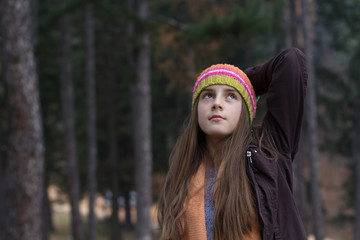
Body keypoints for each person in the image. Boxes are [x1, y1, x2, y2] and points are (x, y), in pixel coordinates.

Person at [157, 48, 308, 240]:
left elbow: (291, 62)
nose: (217, 103)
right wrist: (233, 86)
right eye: (208, 95)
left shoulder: (269, 151)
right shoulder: (182, 175)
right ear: (196, 110)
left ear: (245, 111)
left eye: (231, 96)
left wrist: (244, 81)